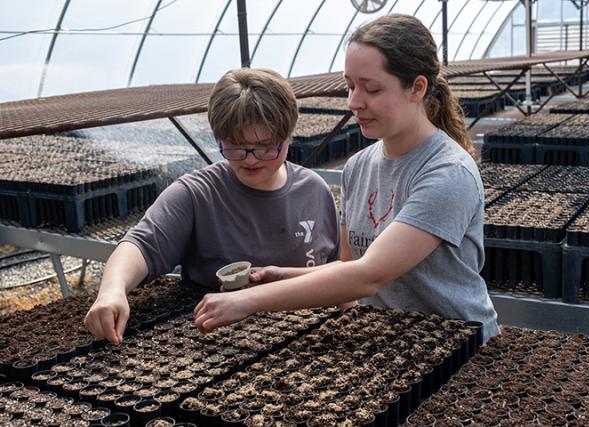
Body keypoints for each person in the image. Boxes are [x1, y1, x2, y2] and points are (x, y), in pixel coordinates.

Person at [193, 14, 499, 343]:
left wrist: (247, 301)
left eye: (371, 88)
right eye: (350, 85)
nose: (354, 102)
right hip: (393, 344)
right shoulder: (358, 167)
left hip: (457, 345)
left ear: (417, 88)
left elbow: (368, 276)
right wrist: (282, 277)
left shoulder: (448, 172)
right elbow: (349, 267)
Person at [84, 68, 341, 345]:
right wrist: (112, 289)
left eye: (266, 147)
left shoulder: (314, 191)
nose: (251, 159)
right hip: (220, 342)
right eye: (236, 146)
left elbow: (339, 272)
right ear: (219, 138)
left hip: (308, 342)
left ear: (288, 138)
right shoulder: (198, 193)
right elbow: (141, 245)